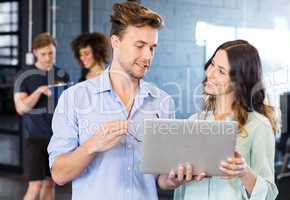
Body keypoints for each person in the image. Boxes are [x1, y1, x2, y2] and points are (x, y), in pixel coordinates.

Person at [47, 2, 174, 200]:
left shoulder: (162, 102)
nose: (147, 56)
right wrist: (92, 145)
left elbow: (160, 179)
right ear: (115, 42)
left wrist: (174, 178)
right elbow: (59, 174)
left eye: (152, 47)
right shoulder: (74, 98)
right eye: (140, 46)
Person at [157, 40, 279, 200]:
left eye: (221, 71)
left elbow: (269, 194)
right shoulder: (193, 122)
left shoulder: (258, 126)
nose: (210, 73)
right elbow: (172, 185)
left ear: (239, 81)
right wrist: (176, 177)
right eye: (212, 64)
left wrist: (244, 172)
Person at [14, 32, 69, 200]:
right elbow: (21, 108)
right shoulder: (24, 75)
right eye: (43, 54)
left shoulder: (62, 74)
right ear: (36, 52)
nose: (47, 58)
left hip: (56, 139)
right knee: (35, 185)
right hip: (35, 139)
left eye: (51, 53)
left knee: (49, 183)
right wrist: (39, 91)